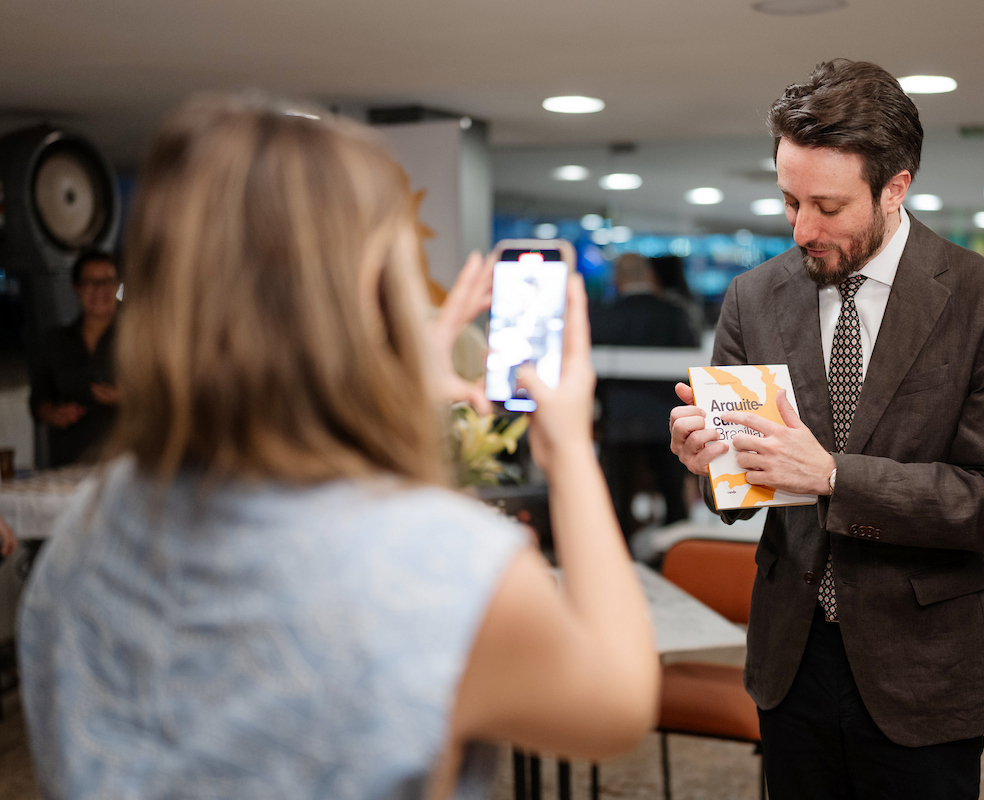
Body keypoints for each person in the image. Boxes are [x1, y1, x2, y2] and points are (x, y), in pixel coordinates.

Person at [18, 95, 658, 800]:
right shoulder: (447, 568)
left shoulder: (85, 535)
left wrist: (401, 387)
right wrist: (566, 448)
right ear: (371, 296)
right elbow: (619, 705)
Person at [669, 60, 984, 799]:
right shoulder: (752, 298)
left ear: (895, 188)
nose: (803, 228)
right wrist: (709, 463)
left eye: (828, 206)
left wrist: (835, 478)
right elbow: (739, 493)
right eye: (788, 201)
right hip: (791, 657)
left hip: (923, 664)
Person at [592, 253, 699, 538]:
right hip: (668, 421)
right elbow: (692, 371)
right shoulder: (675, 315)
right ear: (649, 276)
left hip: (618, 422)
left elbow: (593, 372)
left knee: (617, 503)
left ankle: (620, 565)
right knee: (674, 500)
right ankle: (675, 561)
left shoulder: (603, 315)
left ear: (617, 280)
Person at [28, 250, 122, 467]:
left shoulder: (136, 339)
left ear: (117, 286)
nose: (100, 290)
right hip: (70, 460)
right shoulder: (56, 340)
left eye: (108, 281)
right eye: (91, 282)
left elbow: (164, 397)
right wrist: (53, 413)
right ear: (76, 287)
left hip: (123, 464)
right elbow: (38, 400)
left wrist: (125, 396)